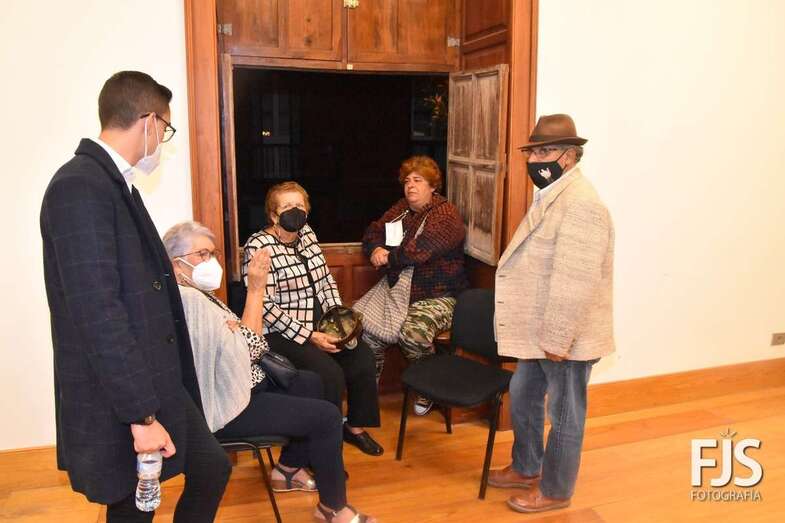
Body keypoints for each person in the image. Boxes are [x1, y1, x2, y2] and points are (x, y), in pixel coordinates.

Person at [40, 71, 230, 522]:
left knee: (210, 466)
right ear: (149, 121)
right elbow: (97, 312)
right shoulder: (80, 186)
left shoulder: (115, 184)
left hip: (153, 377)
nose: (163, 140)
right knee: (132, 504)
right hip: (122, 391)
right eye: (165, 128)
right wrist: (141, 417)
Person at [163, 221, 377, 523]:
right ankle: (332, 508)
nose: (210, 261)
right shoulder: (190, 300)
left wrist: (237, 331)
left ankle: (287, 470)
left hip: (242, 383)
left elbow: (240, 341)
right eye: (202, 254)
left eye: (212, 254)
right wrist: (256, 290)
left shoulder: (196, 292)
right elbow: (250, 348)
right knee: (327, 417)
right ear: (176, 263)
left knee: (310, 383)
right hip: (228, 405)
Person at [489, 114, 615, 513]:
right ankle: (527, 466)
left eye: (545, 151)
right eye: (533, 152)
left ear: (569, 156)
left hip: (564, 337)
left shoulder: (581, 204)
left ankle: (557, 491)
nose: (535, 160)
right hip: (538, 330)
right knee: (523, 395)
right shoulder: (553, 194)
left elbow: (576, 280)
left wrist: (559, 339)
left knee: (564, 414)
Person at [242, 182, 383, 456]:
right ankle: (324, 447)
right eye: (287, 207)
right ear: (273, 215)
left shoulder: (307, 233)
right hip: (282, 332)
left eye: (299, 205)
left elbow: (325, 280)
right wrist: (309, 336)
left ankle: (354, 428)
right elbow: (265, 305)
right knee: (329, 375)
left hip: (320, 321)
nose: (295, 211)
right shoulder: (258, 246)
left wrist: (339, 320)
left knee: (363, 358)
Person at [361, 155, 468, 415]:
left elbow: (420, 250)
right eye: (407, 181)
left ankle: (429, 387)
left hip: (439, 295)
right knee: (366, 332)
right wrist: (375, 248)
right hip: (400, 291)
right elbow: (373, 232)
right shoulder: (401, 209)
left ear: (432, 186)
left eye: (418, 180)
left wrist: (388, 257)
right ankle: (367, 395)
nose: (410, 186)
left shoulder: (446, 214)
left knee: (413, 335)